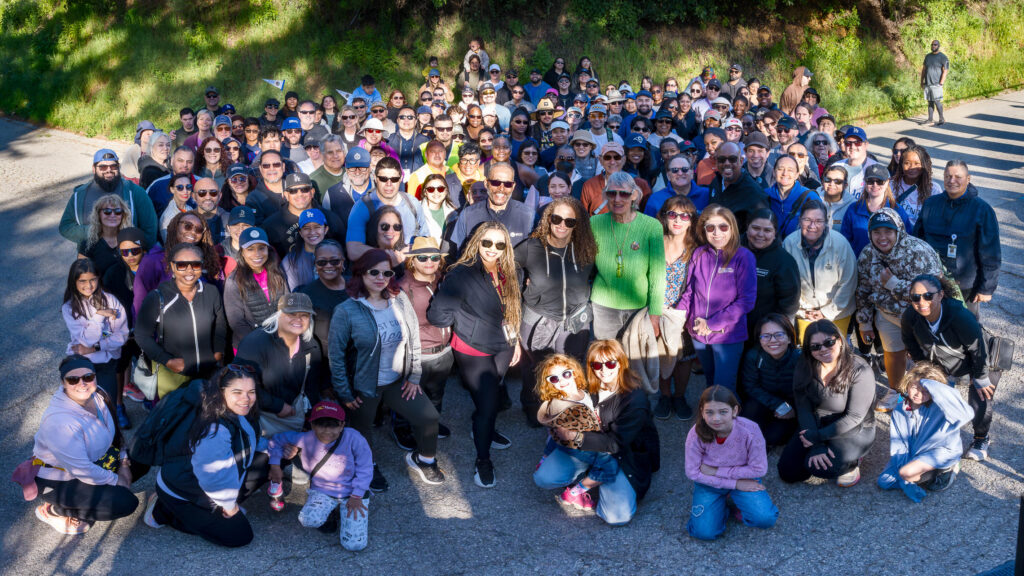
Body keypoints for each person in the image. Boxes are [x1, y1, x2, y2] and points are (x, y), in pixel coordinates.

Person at [329, 250, 443, 492]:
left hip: (396, 381)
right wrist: (345, 393)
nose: (381, 277)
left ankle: (423, 460)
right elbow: (336, 356)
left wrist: (414, 375)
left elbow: (413, 338)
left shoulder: (399, 298)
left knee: (429, 417)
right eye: (374, 272)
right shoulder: (347, 310)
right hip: (363, 386)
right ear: (360, 272)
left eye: (387, 272)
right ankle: (367, 466)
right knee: (362, 431)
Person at [427, 222, 522, 488]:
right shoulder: (461, 274)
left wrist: (517, 342)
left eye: (500, 244)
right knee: (489, 403)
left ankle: (482, 425)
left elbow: (514, 309)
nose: (493, 249)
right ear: (476, 242)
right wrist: (463, 320)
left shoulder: (512, 270)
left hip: (503, 344)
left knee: (489, 397)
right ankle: (483, 459)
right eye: (487, 242)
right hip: (473, 347)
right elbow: (437, 315)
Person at [533, 339, 659, 526]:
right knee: (544, 478)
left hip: (623, 454)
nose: (604, 370)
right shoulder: (585, 386)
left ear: (621, 363)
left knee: (617, 517)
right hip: (589, 446)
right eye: (597, 364)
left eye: (610, 363)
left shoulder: (634, 398)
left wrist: (576, 437)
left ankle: (592, 482)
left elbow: (616, 443)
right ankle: (590, 477)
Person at [144, 366, 269, 548]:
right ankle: (161, 511)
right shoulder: (214, 429)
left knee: (268, 460)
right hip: (183, 490)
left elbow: (246, 438)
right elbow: (211, 475)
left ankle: (206, 509)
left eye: (251, 392)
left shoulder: (232, 411)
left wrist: (275, 446)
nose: (246, 399)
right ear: (220, 392)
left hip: (196, 479)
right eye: (237, 392)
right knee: (240, 536)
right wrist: (229, 506)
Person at [28, 355, 140, 535]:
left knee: (142, 455)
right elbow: (82, 469)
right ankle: (54, 510)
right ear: (63, 382)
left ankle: (93, 499)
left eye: (88, 377)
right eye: (73, 379)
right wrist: (117, 479)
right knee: (125, 503)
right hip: (60, 479)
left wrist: (124, 462)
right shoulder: (60, 421)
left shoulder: (99, 395)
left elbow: (116, 433)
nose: (82, 384)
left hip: (97, 461)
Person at [515, 198, 597, 425]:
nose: (562, 225)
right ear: (547, 219)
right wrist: (523, 286)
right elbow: (508, 269)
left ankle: (566, 411)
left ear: (577, 224)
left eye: (569, 221)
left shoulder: (586, 248)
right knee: (536, 368)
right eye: (556, 218)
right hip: (539, 318)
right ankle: (533, 407)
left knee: (569, 369)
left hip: (575, 320)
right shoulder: (531, 247)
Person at [901, 274, 999, 461]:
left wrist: (980, 375)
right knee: (935, 395)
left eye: (928, 296)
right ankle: (940, 437)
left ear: (940, 295)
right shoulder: (910, 317)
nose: (922, 302)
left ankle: (981, 437)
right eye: (915, 297)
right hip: (943, 363)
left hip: (981, 360)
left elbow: (978, 348)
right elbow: (911, 344)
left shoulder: (959, 316)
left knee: (980, 395)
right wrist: (926, 371)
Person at [855, 209, 944, 412]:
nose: (882, 237)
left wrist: (894, 284)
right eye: (877, 232)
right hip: (887, 315)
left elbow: (933, 292)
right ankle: (896, 391)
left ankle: (928, 395)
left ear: (899, 231)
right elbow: (862, 290)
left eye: (888, 231)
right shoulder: (868, 254)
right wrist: (865, 322)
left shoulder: (919, 251)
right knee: (893, 354)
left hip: (919, 317)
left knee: (925, 359)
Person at [777, 320, 876, 487]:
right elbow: (803, 407)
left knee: (820, 469)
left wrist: (817, 437)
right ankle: (825, 452)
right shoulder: (805, 365)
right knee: (788, 472)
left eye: (828, 342)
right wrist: (816, 445)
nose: (823, 349)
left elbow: (854, 416)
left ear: (839, 340)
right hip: (818, 422)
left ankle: (852, 463)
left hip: (853, 428)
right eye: (815, 346)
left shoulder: (860, 370)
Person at [267, 400, 372, 549]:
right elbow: (276, 440)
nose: (327, 431)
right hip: (324, 491)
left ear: (342, 425)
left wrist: (357, 496)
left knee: (354, 545)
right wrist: (275, 465)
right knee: (307, 519)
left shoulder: (354, 438)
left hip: (353, 492)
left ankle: (344, 511)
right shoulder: (305, 438)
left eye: (333, 425)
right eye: (321, 424)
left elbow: (366, 468)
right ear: (312, 425)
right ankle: (331, 512)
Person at [676, 205, 756, 391]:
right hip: (698, 333)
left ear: (732, 228)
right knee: (711, 383)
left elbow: (746, 301)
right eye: (710, 228)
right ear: (704, 230)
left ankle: (732, 420)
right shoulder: (699, 253)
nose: (717, 233)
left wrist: (711, 323)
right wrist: (679, 317)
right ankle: (710, 419)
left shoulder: (744, 257)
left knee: (724, 388)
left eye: (723, 227)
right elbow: (690, 291)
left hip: (727, 336)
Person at [685, 385, 778, 540]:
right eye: (709, 412)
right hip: (711, 484)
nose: (716, 418)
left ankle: (733, 504)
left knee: (764, 519)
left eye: (723, 412)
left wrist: (717, 472)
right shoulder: (696, 434)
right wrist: (734, 485)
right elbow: (693, 472)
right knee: (704, 533)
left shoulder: (750, 430)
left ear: (734, 411)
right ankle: (722, 508)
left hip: (741, 479)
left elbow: (759, 469)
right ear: (702, 411)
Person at [135, 243, 226, 398]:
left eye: (196, 264)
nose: (189, 270)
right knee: (176, 419)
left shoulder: (211, 292)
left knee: (208, 418)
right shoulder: (157, 297)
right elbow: (141, 335)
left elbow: (220, 324)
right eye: (182, 265)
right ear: (172, 266)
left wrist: (218, 352)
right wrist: (168, 361)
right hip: (173, 375)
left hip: (208, 371)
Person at [532, 354, 621, 510]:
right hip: (580, 446)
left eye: (565, 374)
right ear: (548, 383)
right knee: (610, 467)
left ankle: (544, 460)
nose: (562, 380)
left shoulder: (581, 393)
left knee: (553, 437)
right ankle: (575, 493)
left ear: (574, 372)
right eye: (554, 379)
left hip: (571, 442)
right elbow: (567, 436)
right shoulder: (561, 405)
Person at [913, 160, 1000, 319]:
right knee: (933, 328)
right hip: (932, 283)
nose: (952, 181)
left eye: (958, 177)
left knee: (966, 332)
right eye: (948, 176)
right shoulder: (931, 204)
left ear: (968, 179)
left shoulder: (982, 210)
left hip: (966, 288)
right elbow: (917, 240)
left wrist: (986, 288)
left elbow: (991, 252)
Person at [878, 362, 973, 502]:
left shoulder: (942, 408)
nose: (918, 394)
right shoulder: (900, 409)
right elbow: (900, 444)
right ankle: (919, 473)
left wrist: (931, 384)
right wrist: (901, 466)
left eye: (926, 391)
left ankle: (948, 468)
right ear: (908, 383)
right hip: (916, 452)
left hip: (941, 451)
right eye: (915, 387)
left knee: (907, 473)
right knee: (884, 481)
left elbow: (967, 414)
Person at [235, 292, 324, 438]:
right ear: (279, 314)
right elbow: (240, 385)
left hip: (294, 421)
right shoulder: (254, 342)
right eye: (292, 313)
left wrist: (311, 421)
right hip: (259, 419)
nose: (298, 319)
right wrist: (277, 406)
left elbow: (312, 388)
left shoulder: (311, 346)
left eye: (304, 315)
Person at [589, 172, 665, 341]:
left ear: (634, 195)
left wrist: (655, 313)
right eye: (612, 193)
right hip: (603, 306)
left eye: (624, 193)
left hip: (638, 306)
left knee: (634, 361)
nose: (617, 199)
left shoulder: (652, 226)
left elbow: (658, 275)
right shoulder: (594, 223)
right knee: (605, 358)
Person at [650, 196, 698, 420]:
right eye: (673, 214)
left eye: (684, 216)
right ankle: (665, 395)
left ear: (691, 220)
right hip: (657, 310)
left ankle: (679, 396)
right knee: (661, 355)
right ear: (664, 217)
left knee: (684, 358)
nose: (678, 220)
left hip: (685, 313)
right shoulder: (654, 242)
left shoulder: (696, 248)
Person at [783, 200, 857, 343]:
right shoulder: (789, 243)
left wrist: (826, 312)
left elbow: (849, 283)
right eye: (807, 220)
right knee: (810, 352)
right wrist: (802, 310)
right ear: (800, 220)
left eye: (818, 221)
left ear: (826, 222)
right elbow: (787, 283)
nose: (812, 226)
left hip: (837, 312)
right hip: (806, 313)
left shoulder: (840, 244)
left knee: (835, 353)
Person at [61, 258, 129, 407]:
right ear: (74, 282)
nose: (88, 285)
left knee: (108, 405)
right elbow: (86, 339)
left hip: (107, 364)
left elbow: (121, 336)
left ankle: (116, 420)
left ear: (98, 278)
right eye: (82, 281)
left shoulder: (111, 300)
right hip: (81, 364)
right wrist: (99, 315)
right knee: (86, 408)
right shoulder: (69, 307)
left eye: (92, 279)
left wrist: (95, 347)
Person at [60, 148, 159, 249]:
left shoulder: (135, 192)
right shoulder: (79, 195)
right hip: (92, 258)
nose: (109, 170)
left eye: (113, 166)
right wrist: (95, 231)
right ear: (94, 169)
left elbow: (150, 227)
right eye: (103, 167)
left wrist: (142, 253)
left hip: (128, 258)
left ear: (118, 168)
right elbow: (65, 227)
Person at [224, 227, 289, 351]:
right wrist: (261, 343)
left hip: (279, 341)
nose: (257, 254)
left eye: (261, 248)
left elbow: (287, 304)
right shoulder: (234, 281)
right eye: (250, 249)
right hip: (250, 345)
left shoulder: (277, 272)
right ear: (242, 252)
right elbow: (237, 322)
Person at [741, 314, 801, 447]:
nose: (772, 340)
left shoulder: (799, 358)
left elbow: (807, 391)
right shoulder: (754, 356)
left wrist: (793, 410)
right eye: (766, 336)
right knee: (747, 422)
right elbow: (750, 386)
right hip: (764, 399)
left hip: (791, 405)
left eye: (779, 335)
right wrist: (777, 404)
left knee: (772, 438)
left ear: (790, 338)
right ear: (760, 339)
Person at [450, 162, 535, 249]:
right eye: (495, 183)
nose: (501, 189)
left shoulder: (528, 215)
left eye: (507, 184)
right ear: (486, 183)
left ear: (513, 187)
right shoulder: (468, 215)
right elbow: (456, 254)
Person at [742, 209, 800, 338]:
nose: (760, 234)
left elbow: (789, 302)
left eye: (767, 230)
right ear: (747, 227)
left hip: (764, 331)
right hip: (732, 326)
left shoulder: (784, 261)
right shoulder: (733, 250)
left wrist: (773, 330)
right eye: (756, 228)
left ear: (775, 233)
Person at [840, 165, 911, 256]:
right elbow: (845, 241)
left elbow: (906, 242)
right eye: (870, 181)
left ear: (887, 182)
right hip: (859, 264)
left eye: (879, 181)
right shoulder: (853, 209)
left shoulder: (897, 211)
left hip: (889, 266)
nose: (875, 185)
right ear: (864, 182)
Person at [707, 142, 769, 231]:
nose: (727, 163)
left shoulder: (754, 193)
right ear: (716, 162)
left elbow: (762, 230)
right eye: (722, 159)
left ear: (741, 161)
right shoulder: (716, 182)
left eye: (732, 159)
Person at [644, 155, 709, 217]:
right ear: (668, 176)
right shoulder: (655, 199)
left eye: (684, 169)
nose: (680, 173)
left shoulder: (707, 195)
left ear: (692, 173)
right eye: (674, 170)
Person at [282, 209, 329, 289]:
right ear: (300, 233)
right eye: (306, 228)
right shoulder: (289, 262)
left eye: (317, 227)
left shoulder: (336, 254)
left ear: (325, 229)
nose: (312, 232)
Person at [817, 165, 855, 230]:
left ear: (845, 185)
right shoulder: (814, 197)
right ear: (823, 181)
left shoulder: (853, 206)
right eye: (828, 180)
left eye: (838, 181)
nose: (831, 184)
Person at [921, 40, 949, 126]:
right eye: (932, 45)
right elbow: (924, 69)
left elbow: (946, 70)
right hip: (928, 83)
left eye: (935, 45)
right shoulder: (928, 57)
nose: (933, 46)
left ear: (938, 46)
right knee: (930, 102)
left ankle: (941, 119)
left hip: (936, 84)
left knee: (937, 101)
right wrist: (921, 81)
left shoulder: (943, 57)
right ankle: (930, 119)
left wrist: (941, 82)